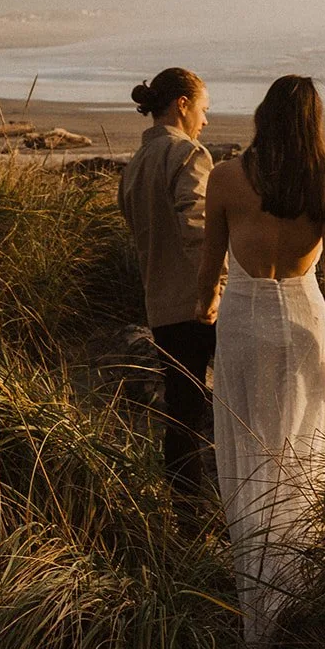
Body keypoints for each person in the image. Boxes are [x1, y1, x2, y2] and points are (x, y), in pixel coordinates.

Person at [197, 74, 325, 649]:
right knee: (299, 461)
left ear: (264, 116)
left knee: (247, 457)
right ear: (314, 122)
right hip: (306, 325)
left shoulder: (225, 178)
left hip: (244, 324)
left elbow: (208, 268)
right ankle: (292, 596)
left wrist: (201, 305)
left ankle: (256, 612)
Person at [117, 66, 216, 513]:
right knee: (215, 412)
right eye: (203, 109)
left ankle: (184, 512)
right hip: (198, 304)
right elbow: (198, 227)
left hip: (159, 301)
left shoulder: (135, 164)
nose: (205, 121)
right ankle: (207, 512)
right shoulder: (189, 154)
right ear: (182, 104)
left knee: (181, 412)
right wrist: (212, 289)